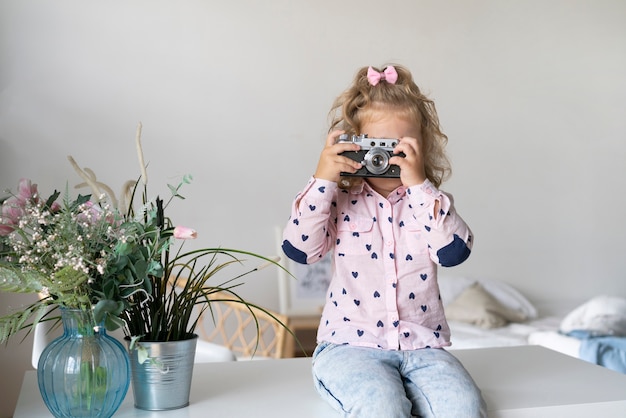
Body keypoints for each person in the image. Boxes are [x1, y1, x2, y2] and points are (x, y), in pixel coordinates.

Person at [282, 64, 486, 417]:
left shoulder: (430, 204)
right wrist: (323, 178)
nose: (384, 159)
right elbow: (299, 250)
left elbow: (453, 253)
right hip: (350, 347)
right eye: (376, 147)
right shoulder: (339, 201)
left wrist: (421, 186)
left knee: (464, 406)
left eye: (398, 148)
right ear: (354, 145)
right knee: (382, 405)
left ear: (423, 148)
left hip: (423, 348)